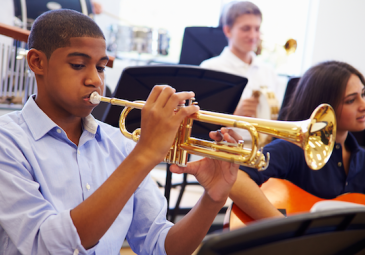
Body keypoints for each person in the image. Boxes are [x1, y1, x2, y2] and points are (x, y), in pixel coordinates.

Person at [0, 9, 239, 254]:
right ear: (37, 62)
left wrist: (213, 199)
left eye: (101, 67)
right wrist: (144, 154)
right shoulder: (8, 142)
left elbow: (161, 246)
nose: (95, 79)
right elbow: (45, 245)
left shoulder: (120, 143)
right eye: (78, 65)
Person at [218, 61, 365, 221]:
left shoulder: (361, 158)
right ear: (324, 107)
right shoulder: (291, 149)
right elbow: (236, 179)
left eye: (363, 94)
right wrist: (283, 226)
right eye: (350, 100)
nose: (363, 105)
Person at [200, 1, 281, 119]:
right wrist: (235, 113)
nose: (253, 36)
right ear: (227, 31)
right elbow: (201, 123)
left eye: (257, 29)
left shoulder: (269, 71)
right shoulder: (210, 68)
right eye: (246, 29)